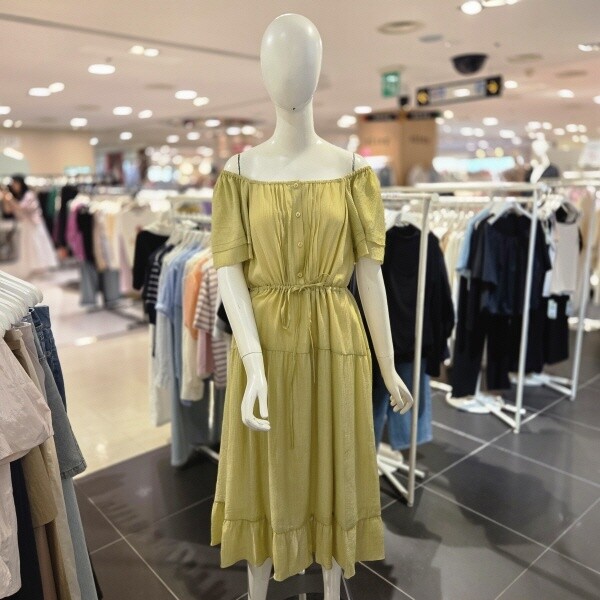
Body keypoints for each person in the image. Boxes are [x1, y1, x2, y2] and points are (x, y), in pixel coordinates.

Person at [2, 175, 58, 278]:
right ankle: (32, 268)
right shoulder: (15, 197)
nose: (14, 186)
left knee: (37, 245)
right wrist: (6, 199)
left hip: (33, 224)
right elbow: (8, 211)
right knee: (28, 247)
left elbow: (22, 207)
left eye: (16, 183)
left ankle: (41, 268)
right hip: (24, 225)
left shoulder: (29, 195)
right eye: (13, 184)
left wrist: (9, 198)